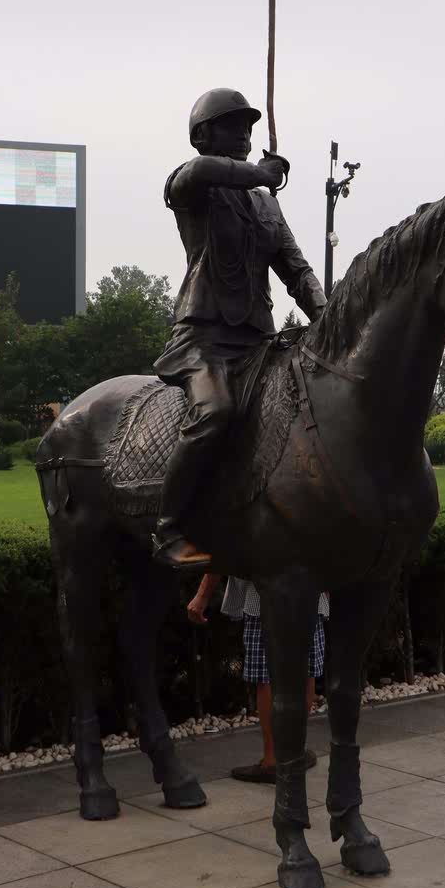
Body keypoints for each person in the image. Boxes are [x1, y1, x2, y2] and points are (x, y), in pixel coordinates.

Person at [152, 88, 327, 569]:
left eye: (248, 125)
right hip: (203, 338)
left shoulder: (268, 206)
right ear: (203, 134)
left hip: (258, 339)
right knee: (215, 411)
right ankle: (167, 528)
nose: (245, 134)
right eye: (232, 125)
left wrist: (329, 319)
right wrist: (261, 173)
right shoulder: (191, 184)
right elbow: (204, 170)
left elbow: (297, 270)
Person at [187, 574, 329, 783]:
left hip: (265, 595)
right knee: (304, 671)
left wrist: (202, 595)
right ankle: (293, 753)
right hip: (308, 591)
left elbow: (226, 546)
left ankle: (273, 760)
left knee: (268, 676)